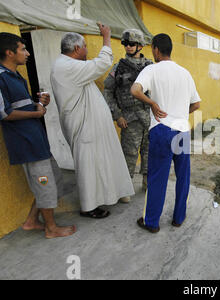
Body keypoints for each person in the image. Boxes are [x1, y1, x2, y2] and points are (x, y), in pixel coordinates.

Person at [50, 23, 134, 218]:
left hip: (90, 125)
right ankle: (88, 207)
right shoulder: (67, 66)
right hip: (83, 127)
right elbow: (102, 63)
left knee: (101, 162)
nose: (88, 50)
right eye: (86, 46)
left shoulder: (69, 65)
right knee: (88, 165)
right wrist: (106, 37)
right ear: (77, 48)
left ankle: (112, 194)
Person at [0, 32, 76, 238]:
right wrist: (37, 112)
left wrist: (40, 104)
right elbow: (4, 113)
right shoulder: (0, 78)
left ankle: (32, 221)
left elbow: (20, 107)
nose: (27, 53)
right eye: (22, 49)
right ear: (9, 52)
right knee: (45, 185)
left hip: (37, 142)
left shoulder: (15, 77)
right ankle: (51, 229)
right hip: (27, 145)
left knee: (54, 181)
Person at [130, 33, 201, 233]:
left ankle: (151, 222)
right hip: (182, 131)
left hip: (161, 130)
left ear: (155, 49)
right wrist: (179, 113)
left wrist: (152, 103)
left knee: (157, 177)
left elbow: (135, 90)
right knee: (183, 176)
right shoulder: (185, 73)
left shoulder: (151, 69)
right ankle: (179, 218)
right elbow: (196, 104)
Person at [104, 29, 153, 202]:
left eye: (132, 44)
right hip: (129, 118)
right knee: (129, 154)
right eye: (125, 44)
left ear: (140, 45)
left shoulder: (150, 66)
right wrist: (117, 115)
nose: (128, 47)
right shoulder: (119, 67)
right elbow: (108, 91)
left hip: (149, 116)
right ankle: (125, 187)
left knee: (149, 152)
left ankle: (148, 182)